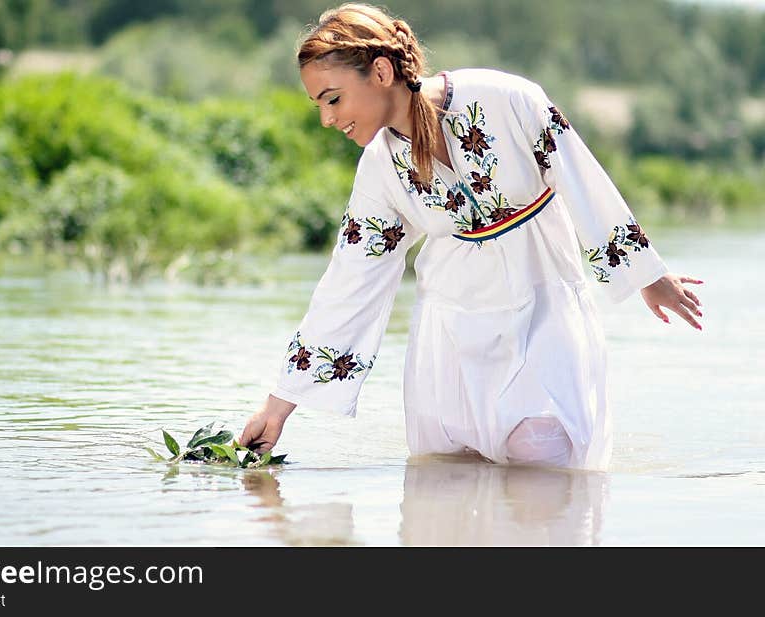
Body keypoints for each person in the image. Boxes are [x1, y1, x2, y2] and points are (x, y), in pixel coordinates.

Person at [238, 3, 704, 471]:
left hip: (544, 314)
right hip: (451, 341)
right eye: (318, 103)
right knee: (446, 489)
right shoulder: (381, 168)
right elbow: (348, 282)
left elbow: (581, 177)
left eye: (332, 98)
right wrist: (278, 407)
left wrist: (648, 274)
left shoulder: (505, 98)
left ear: (380, 71)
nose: (326, 119)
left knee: (546, 465)